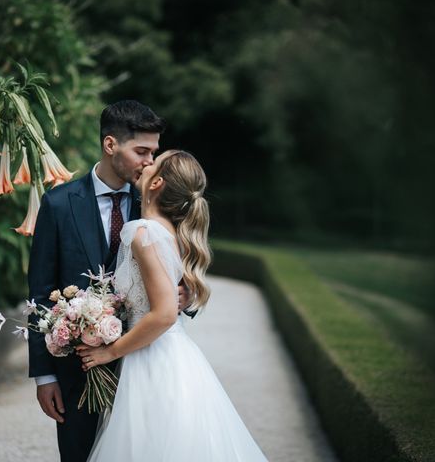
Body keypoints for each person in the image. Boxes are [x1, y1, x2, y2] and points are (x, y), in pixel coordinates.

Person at [77, 150, 269, 461]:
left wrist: (109, 352)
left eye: (153, 161)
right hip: (171, 353)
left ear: (157, 183)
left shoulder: (145, 232)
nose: (145, 162)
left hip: (150, 357)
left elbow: (165, 314)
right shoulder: (172, 231)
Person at [28, 100, 175, 462]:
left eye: (153, 153)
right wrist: (44, 376)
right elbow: (40, 291)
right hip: (77, 367)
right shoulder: (59, 204)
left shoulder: (157, 204)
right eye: (141, 151)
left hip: (144, 361)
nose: (149, 162)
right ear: (111, 145)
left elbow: (181, 273)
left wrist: (184, 298)